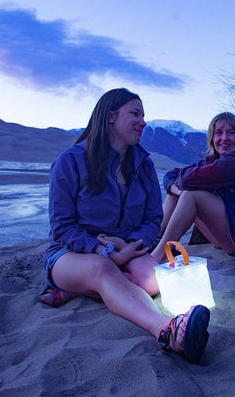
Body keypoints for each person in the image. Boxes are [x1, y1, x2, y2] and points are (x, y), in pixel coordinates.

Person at [40, 88, 210, 363]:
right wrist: (103, 250)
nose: (143, 122)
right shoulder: (70, 161)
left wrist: (130, 246)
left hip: (127, 250)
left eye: (143, 115)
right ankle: (166, 330)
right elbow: (62, 227)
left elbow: (153, 219)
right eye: (135, 113)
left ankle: (74, 291)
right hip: (70, 254)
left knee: (155, 280)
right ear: (110, 117)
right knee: (103, 269)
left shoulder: (142, 165)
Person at [151, 112, 235, 269]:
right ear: (211, 137)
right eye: (219, 133)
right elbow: (171, 175)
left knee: (190, 194)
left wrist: (181, 189)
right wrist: (177, 190)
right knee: (179, 193)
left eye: (231, 133)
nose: (224, 138)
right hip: (231, 234)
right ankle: (154, 238)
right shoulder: (214, 161)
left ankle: (159, 254)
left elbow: (185, 179)